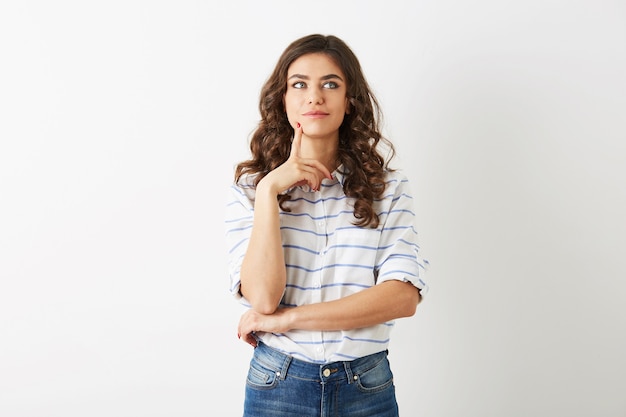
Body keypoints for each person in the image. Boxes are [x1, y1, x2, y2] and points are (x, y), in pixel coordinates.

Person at [224, 33, 428, 417]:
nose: (314, 97)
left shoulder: (388, 188)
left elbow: (402, 297)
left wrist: (290, 319)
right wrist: (270, 191)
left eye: (330, 84)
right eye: (299, 84)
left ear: (350, 102)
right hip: (278, 386)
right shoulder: (253, 189)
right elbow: (263, 300)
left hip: (365, 385)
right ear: (282, 100)